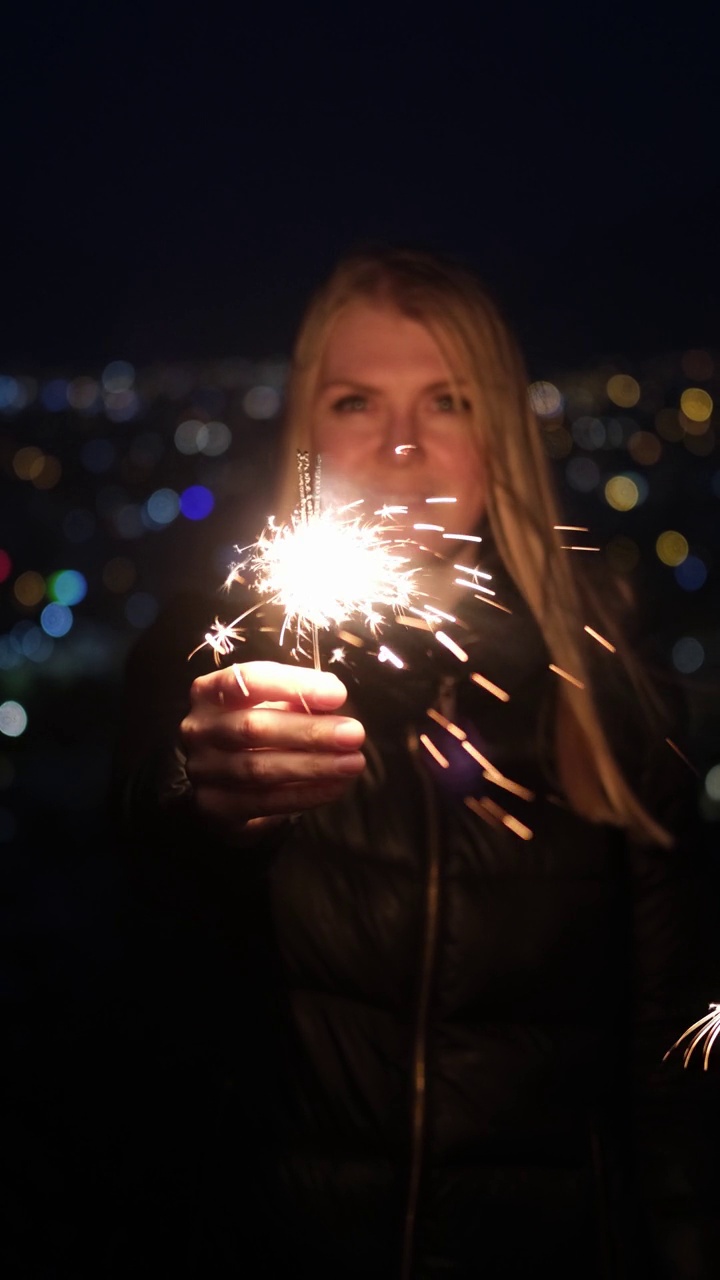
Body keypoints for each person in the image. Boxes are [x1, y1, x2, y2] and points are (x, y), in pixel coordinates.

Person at [108, 245, 719, 1278]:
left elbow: (673, 1081)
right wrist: (207, 805)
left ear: (502, 438)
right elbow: (141, 953)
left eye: (447, 400)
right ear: (305, 434)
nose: (399, 446)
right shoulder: (210, 658)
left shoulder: (612, 701)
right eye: (355, 402)